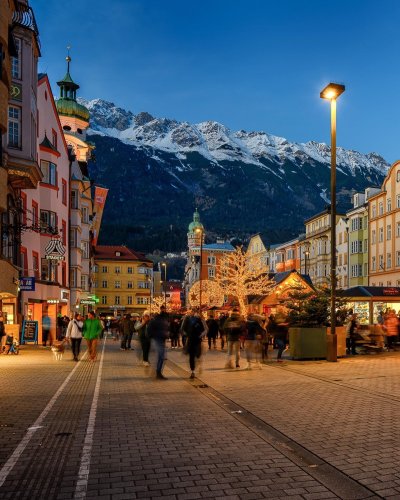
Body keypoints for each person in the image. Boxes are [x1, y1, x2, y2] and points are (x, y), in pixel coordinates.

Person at [182, 310, 207, 379]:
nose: (192, 313)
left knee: (198, 355)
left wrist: (201, 335)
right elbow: (183, 329)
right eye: (191, 312)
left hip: (197, 340)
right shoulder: (187, 320)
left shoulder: (200, 320)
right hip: (190, 341)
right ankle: (192, 371)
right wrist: (186, 334)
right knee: (191, 356)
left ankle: (197, 367)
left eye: (193, 312)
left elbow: (206, 329)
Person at [147, 305, 169, 379]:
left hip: (161, 339)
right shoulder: (157, 320)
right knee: (161, 356)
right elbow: (149, 329)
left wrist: (166, 334)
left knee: (161, 357)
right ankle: (158, 373)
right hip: (158, 339)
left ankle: (158, 372)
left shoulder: (162, 320)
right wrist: (152, 336)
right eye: (164, 309)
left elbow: (165, 329)